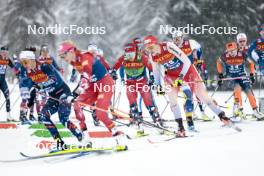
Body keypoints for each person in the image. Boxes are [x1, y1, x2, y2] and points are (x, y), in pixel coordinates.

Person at [143, 35, 235, 137]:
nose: (150, 51)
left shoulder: (168, 46)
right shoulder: (152, 56)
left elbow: (186, 61)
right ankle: (180, 127)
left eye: (151, 47)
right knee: (172, 101)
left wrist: (181, 77)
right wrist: (158, 85)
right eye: (148, 49)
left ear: (156, 44)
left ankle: (222, 116)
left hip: (187, 71)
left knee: (202, 96)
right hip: (171, 75)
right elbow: (156, 70)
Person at [18, 50, 89, 149]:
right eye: (22, 63)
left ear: (32, 60)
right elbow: (34, 87)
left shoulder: (45, 66)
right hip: (53, 96)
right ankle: (59, 142)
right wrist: (30, 100)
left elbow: (54, 80)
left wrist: (41, 86)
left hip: (63, 92)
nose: (24, 65)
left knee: (63, 119)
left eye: (25, 62)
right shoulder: (29, 72)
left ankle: (80, 136)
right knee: (43, 116)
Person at [58, 41, 123, 138]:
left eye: (64, 56)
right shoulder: (73, 61)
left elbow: (86, 75)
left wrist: (76, 93)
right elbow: (84, 79)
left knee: (100, 113)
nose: (64, 59)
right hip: (92, 86)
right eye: (61, 57)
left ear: (71, 51)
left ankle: (115, 132)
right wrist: (74, 94)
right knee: (77, 104)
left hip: (104, 83)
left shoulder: (85, 57)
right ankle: (84, 133)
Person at [112, 42, 163, 134]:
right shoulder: (124, 58)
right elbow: (115, 66)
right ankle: (137, 123)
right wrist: (113, 72)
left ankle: (157, 120)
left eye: (131, 53)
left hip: (141, 81)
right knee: (132, 100)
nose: (130, 56)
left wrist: (151, 77)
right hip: (130, 82)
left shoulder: (141, 56)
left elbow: (150, 67)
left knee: (147, 99)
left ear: (135, 51)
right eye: (127, 54)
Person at [217, 42, 264, 120]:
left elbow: (251, 62)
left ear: (236, 49)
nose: (231, 52)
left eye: (233, 50)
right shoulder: (224, 55)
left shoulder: (242, 54)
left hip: (242, 75)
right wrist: (220, 74)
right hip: (232, 77)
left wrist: (252, 74)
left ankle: (255, 111)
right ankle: (239, 110)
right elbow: (218, 62)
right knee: (237, 90)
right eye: (229, 51)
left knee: (248, 91)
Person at [172, 31, 211, 123]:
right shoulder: (172, 47)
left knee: (197, 91)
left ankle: (202, 112)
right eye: (175, 39)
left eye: (178, 39)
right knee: (187, 93)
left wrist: (203, 69)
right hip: (180, 73)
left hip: (191, 71)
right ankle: (190, 112)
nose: (176, 41)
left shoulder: (190, 43)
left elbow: (199, 54)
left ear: (182, 38)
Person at [0, 46, 17, 121]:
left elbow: (14, 68)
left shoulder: (7, 60)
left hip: (3, 81)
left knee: (7, 97)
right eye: (3, 52)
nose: (5, 54)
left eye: (6, 53)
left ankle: (8, 116)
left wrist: (19, 73)